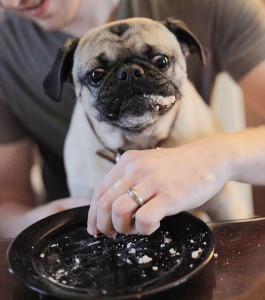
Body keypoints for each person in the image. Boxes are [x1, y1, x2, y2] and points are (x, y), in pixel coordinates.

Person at [0, 0, 265, 238]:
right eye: (97, 75)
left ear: (188, 50)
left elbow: (230, 215)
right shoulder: (6, 48)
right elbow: (7, 199)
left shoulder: (213, 5)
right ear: (66, 79)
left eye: (160, 62)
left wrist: (216, 158)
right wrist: (56, 217)